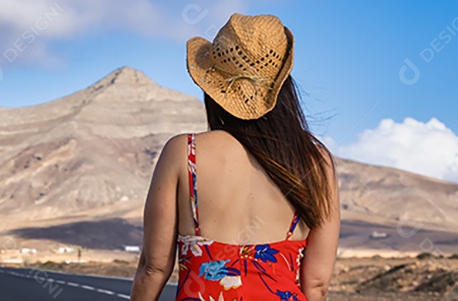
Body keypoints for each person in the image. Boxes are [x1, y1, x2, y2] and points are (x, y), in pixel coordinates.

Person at [130, 13, 340, 301]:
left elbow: (154, 268)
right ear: (283, 87)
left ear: (213, 89)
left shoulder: (184, 153)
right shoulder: (314, 162)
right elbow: (316, 284)